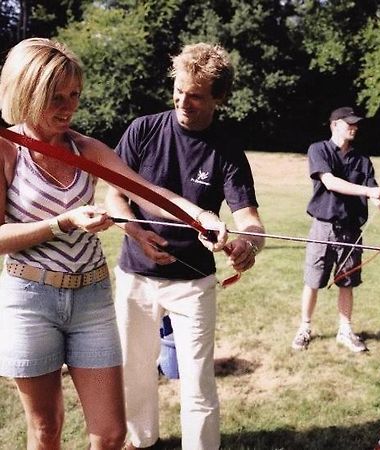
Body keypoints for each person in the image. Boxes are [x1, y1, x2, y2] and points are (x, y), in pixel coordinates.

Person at [0, 38, 227, 450]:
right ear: (26, 92)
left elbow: (149, 192)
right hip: (29, 298)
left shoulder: (85, 148)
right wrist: (62, 222)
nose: (69, 108)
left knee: (111, 434)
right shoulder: (6, 151)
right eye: (56, 97)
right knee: (46, 428)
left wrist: (202, 218)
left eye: (75, 96)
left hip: (91, 297)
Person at [104, 42, 265, 450]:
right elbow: (115, 195)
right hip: (135, 276)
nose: (183, 101)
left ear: (218, 98)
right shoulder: (144, 129)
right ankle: (140, 442)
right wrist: (133, 230)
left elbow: (249, 220)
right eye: (178, 90)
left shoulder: (227, 149)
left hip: (193, 284)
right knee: (134, 373)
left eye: (195, 95)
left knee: (197, 380)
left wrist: (248, 244)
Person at [291, 106, 380, 353]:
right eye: (349, 123)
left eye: (356, 124)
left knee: (347, 282)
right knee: (312, 280)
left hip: (351, 231)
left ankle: (345, 331)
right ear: (334, 124)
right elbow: (330, 182)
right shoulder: (319, 150)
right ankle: (304, 328)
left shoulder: (362, 160)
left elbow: (378, 197)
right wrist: (368, 191)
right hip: (323, 227)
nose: (354, 127)